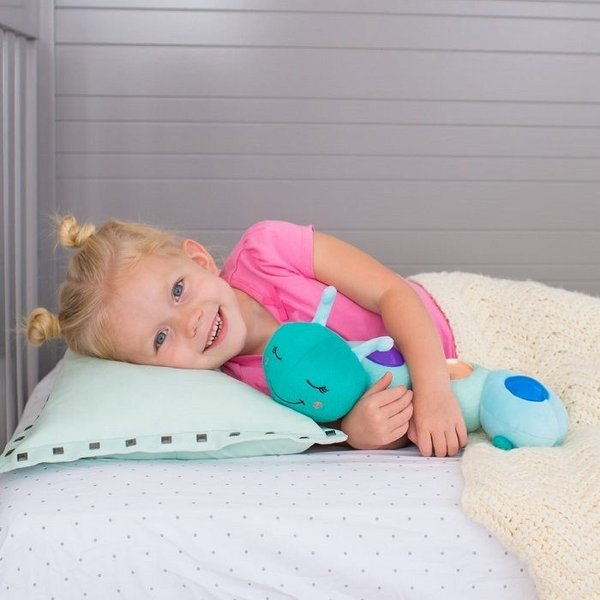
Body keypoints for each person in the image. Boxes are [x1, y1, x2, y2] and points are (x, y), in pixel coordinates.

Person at [27, 216, 600, 456]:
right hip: (454, 379)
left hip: (451, 316)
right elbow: (322, 423)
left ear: (199, 259)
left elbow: (392, 293)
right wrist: (353, 431)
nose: (190, 322)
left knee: (578, 337)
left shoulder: (267, 249)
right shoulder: (235, 390)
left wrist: (433, 388)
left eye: (178, 291)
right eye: (159, 339)